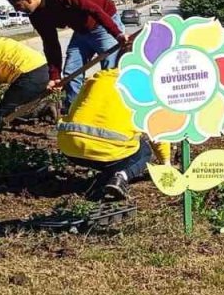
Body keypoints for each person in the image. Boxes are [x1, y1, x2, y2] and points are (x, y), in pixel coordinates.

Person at [2, 0, 128, 112]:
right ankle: (75, 112)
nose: (19, 10)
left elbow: (95, 10)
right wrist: (54, 76)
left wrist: (117, 34)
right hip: (81, 31)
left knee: (110, 69)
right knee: (71, 72)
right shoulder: (36, 16)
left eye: (18, 6)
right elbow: (50, 44)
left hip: (103, 23)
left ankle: (112, 111)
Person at [56, 68, 158, 201]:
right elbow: (157, 131)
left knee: (112, 149)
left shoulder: (97, 77)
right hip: (108, 152)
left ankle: (104, 178)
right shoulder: (145, 85)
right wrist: (166, 163)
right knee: (144, 151)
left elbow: (75, 107)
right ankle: (121, 177)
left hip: (70, 147)